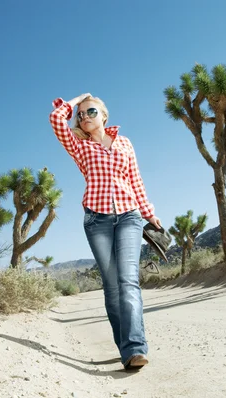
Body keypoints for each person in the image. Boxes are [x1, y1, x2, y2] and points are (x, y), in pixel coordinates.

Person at [49, 93, 161, 370]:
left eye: (91, 112)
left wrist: (149, 213)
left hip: (129, 216)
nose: (85, 117)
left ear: (105, 115)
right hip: (97, 219)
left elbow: (135, 179)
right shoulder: (79, 146)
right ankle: (125, 348)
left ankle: (136, 347)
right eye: (81, 115)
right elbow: (55, 118)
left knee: (128, 280)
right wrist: (77, 100)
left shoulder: (124, 143)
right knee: (111, 286)